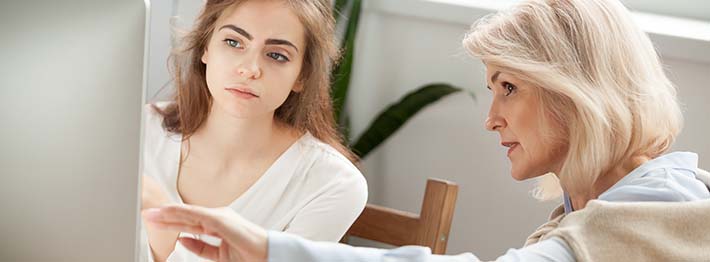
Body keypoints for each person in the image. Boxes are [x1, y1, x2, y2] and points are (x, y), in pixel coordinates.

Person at [143, 0, 710, 261]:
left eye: (508, 87)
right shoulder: (601, 213)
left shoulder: (648, 223)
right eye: (233, 43)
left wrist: (269, 249)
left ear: (575, 91)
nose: (490, 117)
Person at [139, 0, 368, 261]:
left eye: (276, 55)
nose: (250, 69)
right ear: (205, 47)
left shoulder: (331, 185)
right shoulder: (139, 132)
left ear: (302, 75)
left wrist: (164, 230)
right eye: (233, 42)